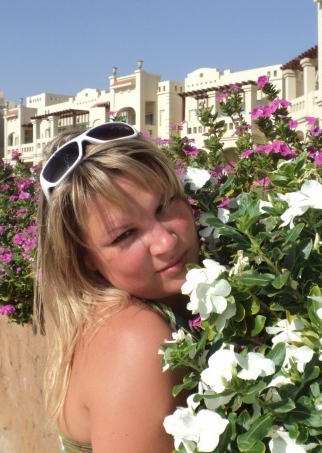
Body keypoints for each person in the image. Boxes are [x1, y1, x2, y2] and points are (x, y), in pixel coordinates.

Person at [35, 122, 200, 452]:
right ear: (85, 258)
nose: (165, 242)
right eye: (124, 235)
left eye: (164, 206)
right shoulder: (136, 339)